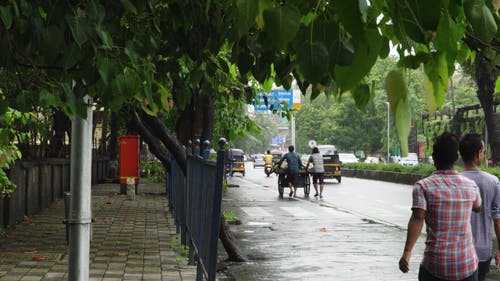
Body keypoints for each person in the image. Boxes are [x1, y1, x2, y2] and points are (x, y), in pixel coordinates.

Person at [399, 132, 482, 281]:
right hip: (466, 265)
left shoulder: (423, 186)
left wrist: (407, 253)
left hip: (435, 266)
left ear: (434, 158)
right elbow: (477, 207)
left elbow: (417, 218)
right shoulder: (471, 186)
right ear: (456, 158)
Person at [459, 133, 500, 281]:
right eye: (483, 151)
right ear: (478, 154)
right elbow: (497, 220)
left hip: (458, 251)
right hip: (483, 252)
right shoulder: (493, 181)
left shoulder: (455, 180)